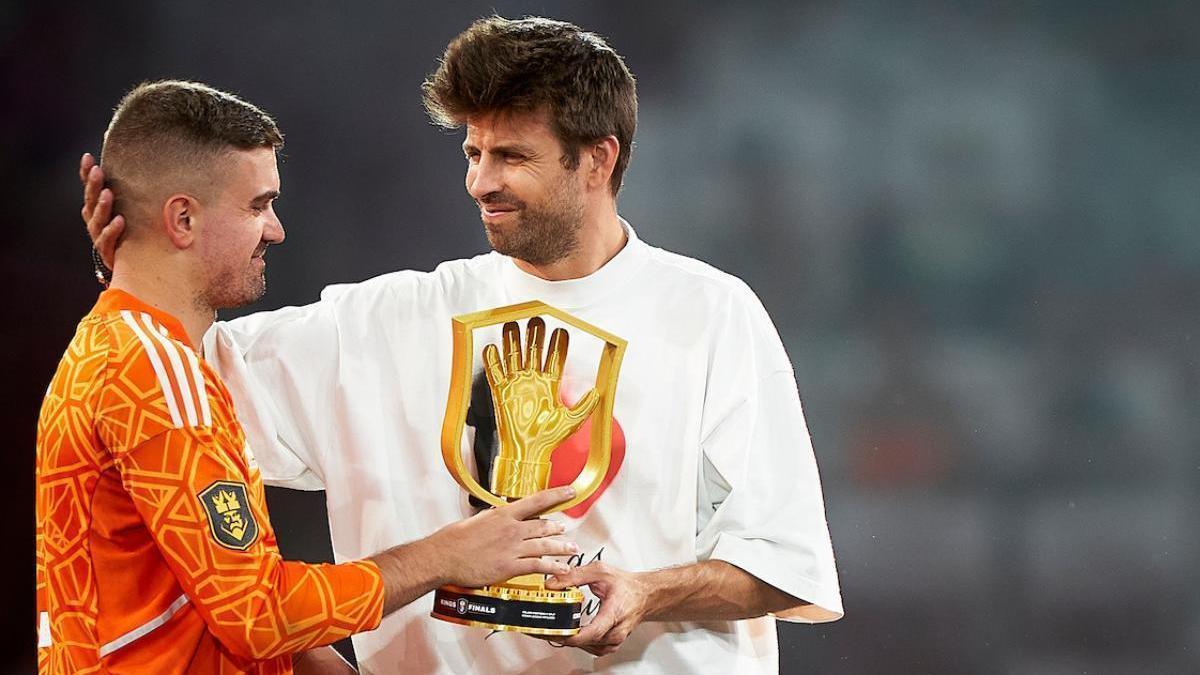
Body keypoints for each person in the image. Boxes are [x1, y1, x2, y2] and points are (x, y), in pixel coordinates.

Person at [85, 17, 844, 674]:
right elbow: (157, 393)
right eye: (472, 153)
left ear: (599, 159)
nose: (481, 181)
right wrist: (147, 262)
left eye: (511, 156)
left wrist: (649, 589)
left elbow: (780, 563)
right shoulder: (383, 322)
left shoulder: (711, 315)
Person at [42, 80, 578, 675]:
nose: (275, 230)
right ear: (183, 218)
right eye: (257, 205)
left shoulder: (137, 354)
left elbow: (220, 600)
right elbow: (258, 615)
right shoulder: (156, 377)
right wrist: (443, 556)